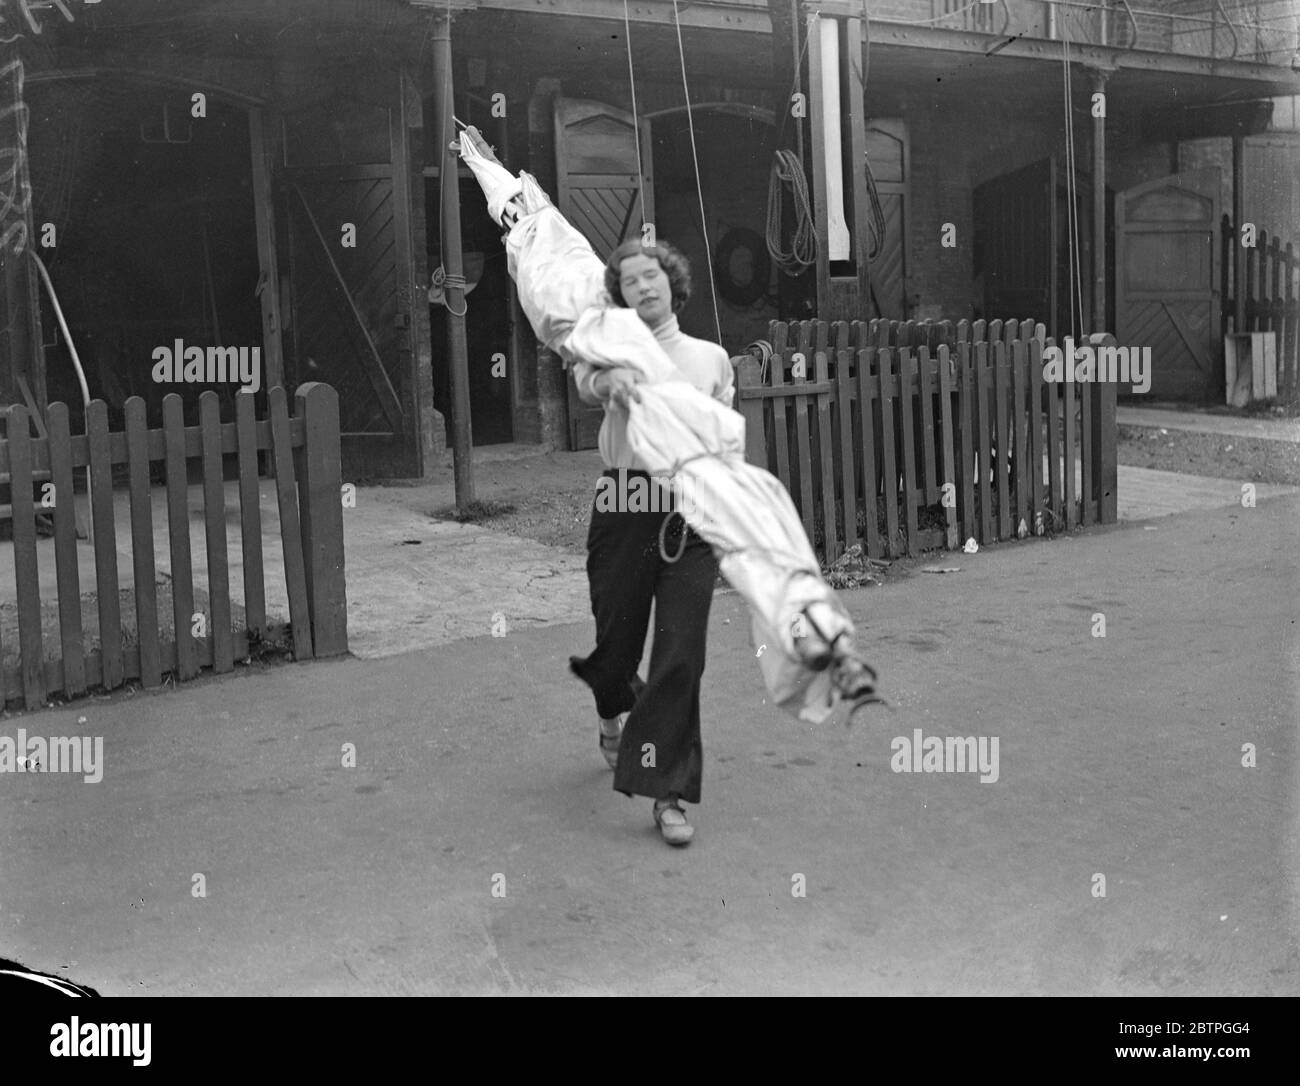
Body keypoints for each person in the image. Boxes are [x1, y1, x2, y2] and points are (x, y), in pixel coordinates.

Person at [567, 239, 733, 847]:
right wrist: (610, 377)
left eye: (652, 274)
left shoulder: (713, 359)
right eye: (629, 281)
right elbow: (588, 378)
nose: (644, 285)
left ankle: (667, 793)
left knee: (680, 654)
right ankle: (613, 706)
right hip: (624, 505)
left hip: (689, 518)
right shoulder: (607, 353)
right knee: (615, 645)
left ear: (673, 283)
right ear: (620, 296)